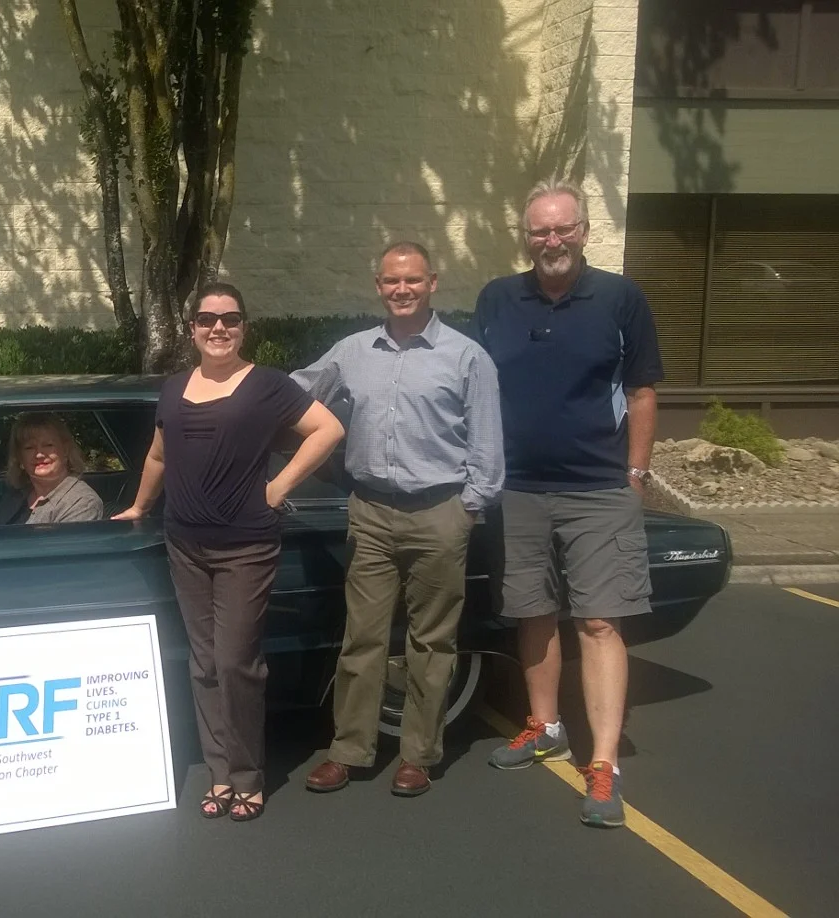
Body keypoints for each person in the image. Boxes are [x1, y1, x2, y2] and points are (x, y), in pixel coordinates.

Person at [113, 282, 344, 822]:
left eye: (231, 319)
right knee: (205, 663)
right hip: (184, 543)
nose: (219, 328)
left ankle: (247, 775)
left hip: (245, 545)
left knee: (238, 662)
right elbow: (158, 455)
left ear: (244, 328)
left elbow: (327, 429)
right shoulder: (174, 388)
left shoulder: (267, 385)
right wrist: (140, 506)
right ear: (191, 328)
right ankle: (218, 772)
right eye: (208, 319)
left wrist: (278, 487)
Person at [475, 179, 663, 828]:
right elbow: (477, 389)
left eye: (563, 228)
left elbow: (641, 392)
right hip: (519, 488)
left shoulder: (619, 298)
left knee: (600, 622)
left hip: (598, 489)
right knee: (533, 613)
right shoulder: (498, 298)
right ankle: (544, 725)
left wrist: (635, 474)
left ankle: (604, 764)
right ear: (525, 236)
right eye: (539, 230)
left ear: (583, 230)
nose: (551, 240)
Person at [291, 242, 504, 798]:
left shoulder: (467, 357)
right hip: (371, 512)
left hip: (440, 512)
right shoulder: (355, 351)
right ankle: (350, 752)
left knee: (431, 643)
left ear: (432, 282)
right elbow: (296, 390)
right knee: (361, 638)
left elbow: (487, 446)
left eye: (411, 280)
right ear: (378, 286)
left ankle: (418, 755)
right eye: (391, 281)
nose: (401, 290)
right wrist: (232, 389)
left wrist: (467, 510)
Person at [0, 413, 105, 524]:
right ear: (20, 457)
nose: (39, 455)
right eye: (29, 447)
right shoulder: (15, 495)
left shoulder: (82, 502)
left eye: (48, 445)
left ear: (65, 450)